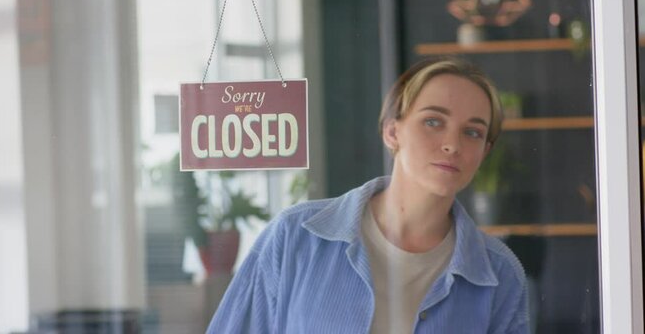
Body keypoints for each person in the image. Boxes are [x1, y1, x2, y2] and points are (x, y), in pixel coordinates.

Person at [207, 57, 529, 333]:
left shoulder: (499, 276)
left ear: (485, 151)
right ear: (392, 132)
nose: (452, 144)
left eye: (472, 132)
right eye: (433, 121)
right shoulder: (294, 237)